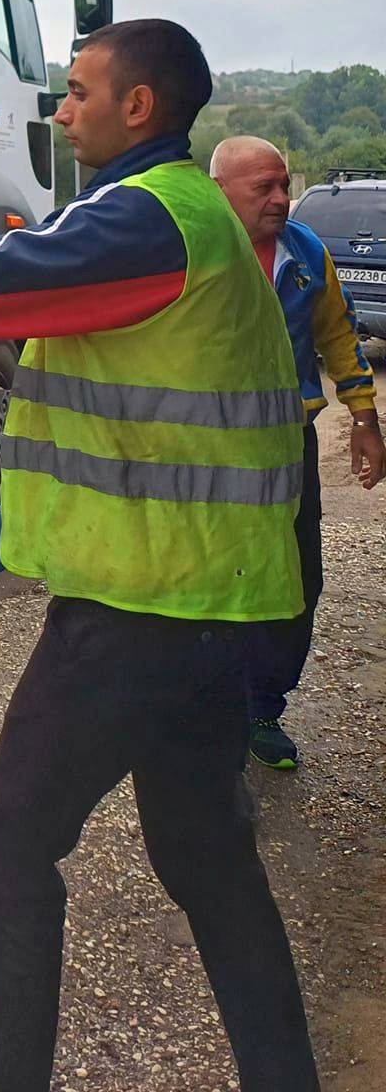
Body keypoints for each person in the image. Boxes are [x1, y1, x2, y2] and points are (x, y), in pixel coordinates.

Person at [0, 19, 317, 1092]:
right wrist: (9, 525)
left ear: (138, 106)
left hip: (147, 607)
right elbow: (129, 423)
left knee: (7, 838)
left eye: (79, 89)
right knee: (205, 854)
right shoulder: (163, 214)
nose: (60, 106)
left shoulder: (150, 218)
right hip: (206, 598)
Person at [210, 134, 383, 768]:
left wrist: (365, 418)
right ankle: (203, 709)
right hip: (207, 448)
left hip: (289, 446)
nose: (282, 198)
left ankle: (261, 709)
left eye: (285, 184)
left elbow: (340, 338)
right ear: (220, 192)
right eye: (265, 187)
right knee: (213, 574)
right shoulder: (194, 251)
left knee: (296, 579)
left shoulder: (307, 251)